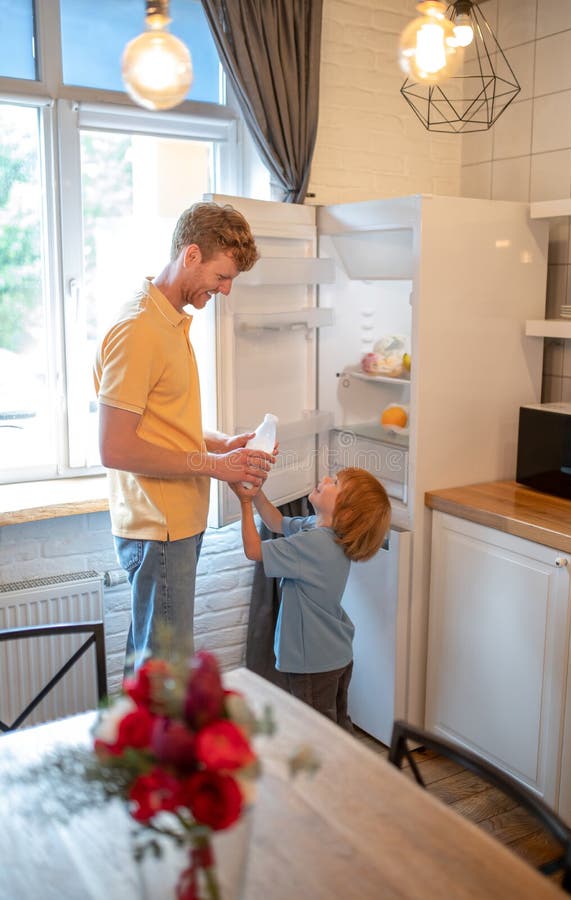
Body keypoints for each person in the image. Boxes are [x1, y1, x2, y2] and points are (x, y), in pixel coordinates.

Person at [93, 201, 276, 673]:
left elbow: (162, 423)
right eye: (222, 276)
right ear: (191, 255)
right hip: (160, 527)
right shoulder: (139, 330)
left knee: (154, 667)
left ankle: (143, 746)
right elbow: (116, 447)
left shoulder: (168, 321)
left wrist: (222, 444)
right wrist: (216, 467)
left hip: (174, 524)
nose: (227, 289)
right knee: (165, 676)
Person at [230, 467, 391, 730]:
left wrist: (245, 503)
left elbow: (253, 549)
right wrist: (257, 493)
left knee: (316, 733)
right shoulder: (321, 530)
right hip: (335, 653)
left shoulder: (315, 544)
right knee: (337, 727)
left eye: (335, 483)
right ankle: (348, 768)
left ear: (346, 512)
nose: (326, 479)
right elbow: (276, 522)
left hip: (312, 661)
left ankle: (331, 771)